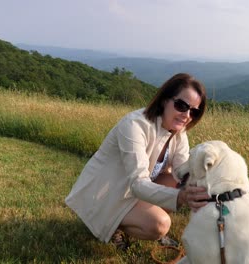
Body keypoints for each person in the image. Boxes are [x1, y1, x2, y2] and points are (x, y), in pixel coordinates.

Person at [65, 73, 210, 248]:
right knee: (161, 224)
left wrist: (208, 192)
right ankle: (113, 226)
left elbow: (183, 173)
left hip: (135, 191)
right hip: (109, 193)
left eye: (194, 111)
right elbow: (138, 183)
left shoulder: (179, 133)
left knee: (176, 181)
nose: (186, 115)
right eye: (181, 105)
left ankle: (137, 218)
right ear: (164, 100)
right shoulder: (134, 124)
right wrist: (180, 197)